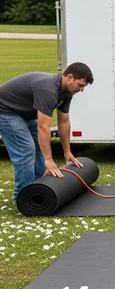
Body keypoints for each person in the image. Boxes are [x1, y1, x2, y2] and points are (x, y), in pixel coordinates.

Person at [0, 63, 93, 205]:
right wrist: (48, 159)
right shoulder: (48, 89)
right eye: (80, 85)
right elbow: (43, 127)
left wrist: (67, 151)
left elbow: (64, 122)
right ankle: (23, 198)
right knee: (26, 149)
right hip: (5, 111)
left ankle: (37, 189)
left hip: (23, 113)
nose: (81, 90)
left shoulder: (66, 93)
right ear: (69, 77)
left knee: (38, 146)